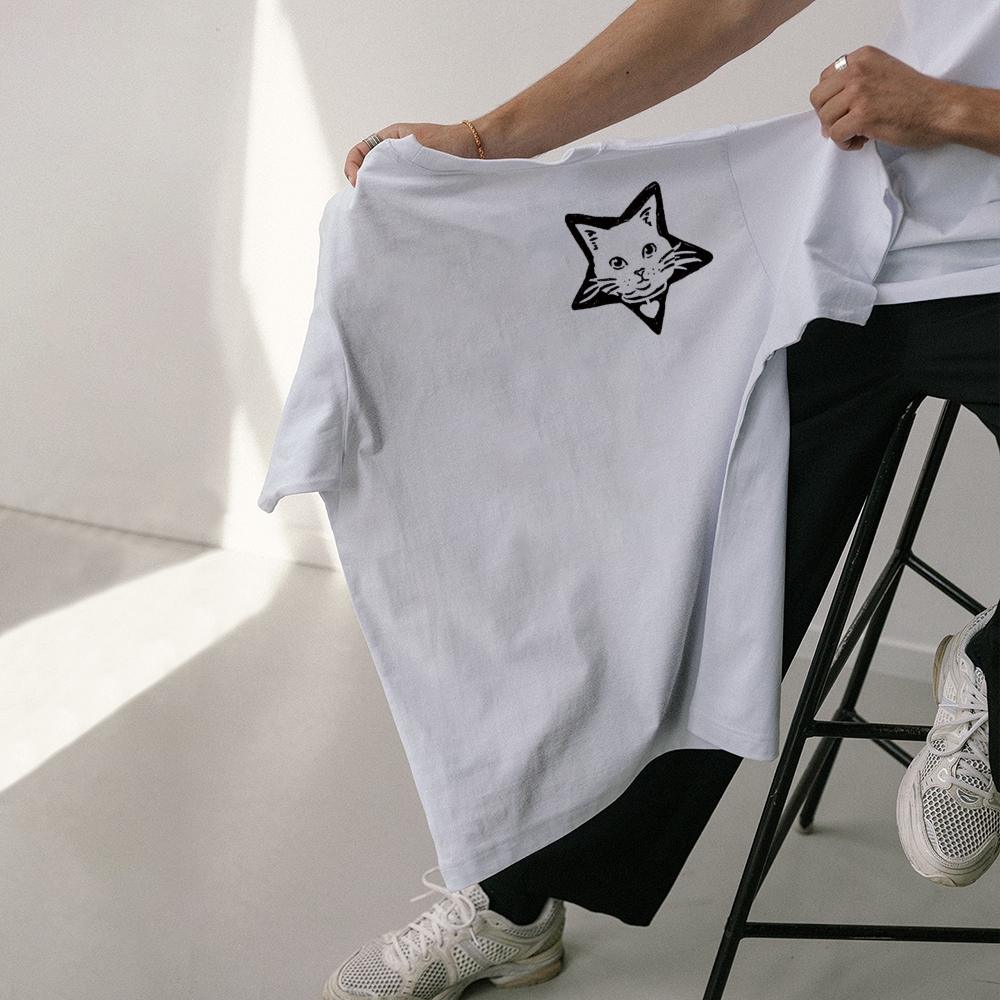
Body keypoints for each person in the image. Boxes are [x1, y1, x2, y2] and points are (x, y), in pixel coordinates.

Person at [322, 2, 999, 998]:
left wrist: (956, 110)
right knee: (679, 564)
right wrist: (487, 140)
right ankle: (513, 902)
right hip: (862, 232)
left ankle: (991, 674)